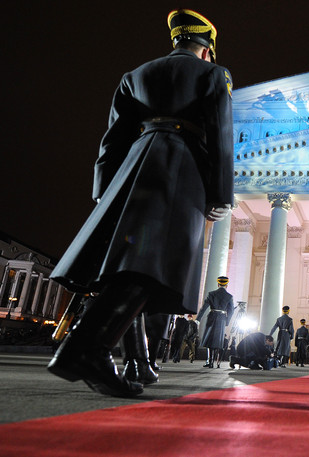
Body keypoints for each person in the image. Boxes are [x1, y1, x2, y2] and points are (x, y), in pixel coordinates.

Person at [46, 9, 233, 397]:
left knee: (132, 260)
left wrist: (105, 190)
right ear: (206, 49)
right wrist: (220, 195)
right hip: (180, 166)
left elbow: (111, 140)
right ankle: (85, 349)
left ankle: (128, 358)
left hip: (134, 165)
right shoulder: (213, 75)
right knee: (154, 264)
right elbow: (220, 137)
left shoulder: (136, 74)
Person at [196, 276, 234, 368]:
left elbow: (203, 308)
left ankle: (209, 361)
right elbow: (231, 311)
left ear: (218, 284)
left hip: (212, 317)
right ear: (227, 285)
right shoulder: (229, 296)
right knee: (218, 340)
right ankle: (213, 360)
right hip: (222, 319)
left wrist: (198, 319)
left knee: (209, 339)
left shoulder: (211, 294)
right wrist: (227, 321)